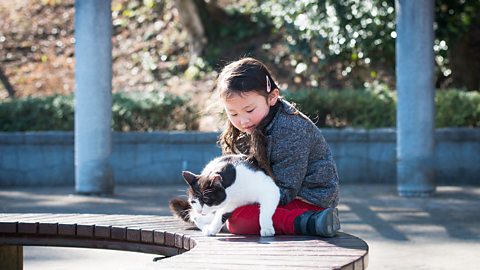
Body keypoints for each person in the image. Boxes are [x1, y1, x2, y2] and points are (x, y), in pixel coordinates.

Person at [216, 57, 340, 237]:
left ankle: (310, 221)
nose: (242, 120)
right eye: (232, 113)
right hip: (269, 193)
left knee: (238, 219)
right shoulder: (248, 126)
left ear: (272, 97)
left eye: (250, 110)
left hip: (308, 199)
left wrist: (238, 202)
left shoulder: (291, 129)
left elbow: (285, 191)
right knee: (218, 207)